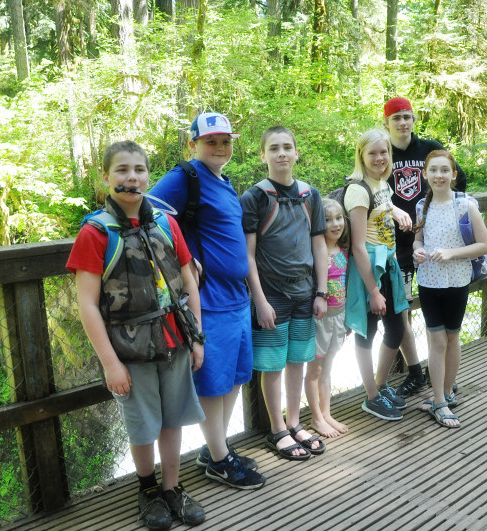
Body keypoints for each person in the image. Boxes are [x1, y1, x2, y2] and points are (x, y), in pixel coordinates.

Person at [68, 141, 206, 529]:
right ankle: (147, 490)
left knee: (173, 418)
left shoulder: (166, 222)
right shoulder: (96, 233)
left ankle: (173, 488)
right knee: (143, 423)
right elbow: (88, 305)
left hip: (175, 338)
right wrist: (110, 363)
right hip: (130, 348)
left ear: (148, 175)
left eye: (139, 170)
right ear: (106, 177)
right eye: (123, 170)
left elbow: (189, 281)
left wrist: (197, 336)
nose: (132, 177)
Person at [148, 112, 266, 490]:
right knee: (213, 382)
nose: (219, 148)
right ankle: (219, 459)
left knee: (232, 377)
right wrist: (183, 255)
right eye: (211, 141)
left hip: (236, 297)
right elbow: (147, 213)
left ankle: (216, 448)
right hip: (210, 298)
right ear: (193, 143)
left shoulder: (224, 182)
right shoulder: (186, 177)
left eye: (225, 141)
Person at [241, 125, 328, 460]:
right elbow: (248, 254)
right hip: (272, 295)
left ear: (296, 153)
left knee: (298, 362)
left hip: (305, 292)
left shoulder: (310, 195)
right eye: (274, 148)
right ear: (263, 155)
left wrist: (321, 292)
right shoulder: (255, 198)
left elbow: (319, 245)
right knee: (272, 365)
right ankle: (276, 429)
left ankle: (295, 422)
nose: (281, 153)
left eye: (287, 147)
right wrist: (259, 301)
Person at [383, 97, 467, 398]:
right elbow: (364, 185)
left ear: (414, 119)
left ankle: (444, 378)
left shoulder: (428, 149)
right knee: (401, 311)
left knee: (442, 318)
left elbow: (459, 179)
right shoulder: (383, 151)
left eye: (407, 117)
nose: (403, 123)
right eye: (396, 118)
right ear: (387, 123)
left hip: (433, 247)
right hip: (396, 248)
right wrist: (390, 208)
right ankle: (416, 372)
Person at [412, 150, 487, 428]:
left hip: (457, 280)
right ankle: (439, 401)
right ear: (425, 174)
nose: (439, 175)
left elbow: (484, 245)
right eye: (433, 170)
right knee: (437, 341)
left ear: (454, 175)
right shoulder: (422, 206)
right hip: (429, 281)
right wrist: (418, 252)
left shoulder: (465, 205)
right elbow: (418, 240)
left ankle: (444, 394)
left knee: (453, 338)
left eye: (445, 170)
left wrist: (452, 253)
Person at [343, 128, 413, 421]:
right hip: (368, 270)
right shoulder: (358, 190)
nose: (379, 158)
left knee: (396, 328)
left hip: (389, 264)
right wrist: (373, 290)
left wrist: (394, 209)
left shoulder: (382, 184)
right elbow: (358, 247)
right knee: (367, 332)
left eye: (384, 152)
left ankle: (381, 384)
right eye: (372, 153)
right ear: (361, 155)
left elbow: (382, 205)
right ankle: (371, 396)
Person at [305, 197, 350, 438]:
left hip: (339, 317)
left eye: (339, 218)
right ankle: (316, 418)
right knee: (315, 369)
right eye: (328, 219)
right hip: (320, 320)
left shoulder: (343, 249)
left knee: (328, 368)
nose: (335, 224)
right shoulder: (315, 250)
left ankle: (326, 412)